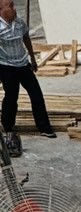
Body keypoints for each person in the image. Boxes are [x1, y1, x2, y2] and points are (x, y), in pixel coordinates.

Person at [0, 0, 55, 157]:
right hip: (7, 66)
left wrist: (32, 57)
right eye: (10, 6)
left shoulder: (19, 23)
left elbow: (26, 37)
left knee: (36, 95)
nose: (14, 9)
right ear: (1, 10)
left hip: (23, 64)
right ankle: (8, 128)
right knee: (11, 98)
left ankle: (44, 128)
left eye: (14, 5)